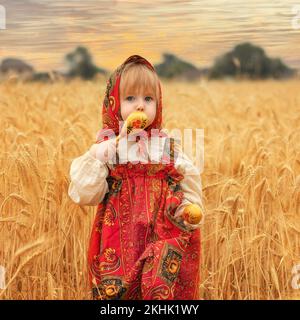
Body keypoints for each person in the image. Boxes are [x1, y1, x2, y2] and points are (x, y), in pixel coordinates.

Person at [68, 55, 205, 300]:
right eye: (130, 98)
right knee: (119, 294)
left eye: (148, 99)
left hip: (162, 234)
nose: (140, 105)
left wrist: (187, 208)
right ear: (114, 103)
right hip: (118, 238)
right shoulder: (111, 146)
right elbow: (86, 194)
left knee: (160, 292)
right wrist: (97, 155)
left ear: (158, 104)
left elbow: (187, 180)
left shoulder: (167, 147)